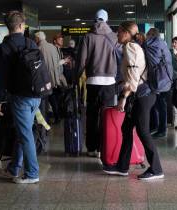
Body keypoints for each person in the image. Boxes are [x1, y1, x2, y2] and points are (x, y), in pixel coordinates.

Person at [103, 21, 164, 180]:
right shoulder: (133, 46)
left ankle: (156, 169)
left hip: (142, 95)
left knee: (143, 132)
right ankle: (122, 167)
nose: (117, 34)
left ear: (126, 33)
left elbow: (133, 77)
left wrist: (123, 97)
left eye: (119, 31)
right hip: (142, 94)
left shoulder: (130, 47)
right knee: (126, 128)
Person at [0, 11, 42, 184]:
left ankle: (32, 173)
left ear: (8, 27)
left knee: (25, 134)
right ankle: (14, 168)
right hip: (36, 95)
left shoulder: (4, 47)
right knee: (24, 132)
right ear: (21, 25)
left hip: (19, 97)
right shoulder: (31, 43)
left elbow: (1, 77)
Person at [76, 9, 118, 157]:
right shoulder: (114, 37)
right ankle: (104, 147)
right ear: (107, 20)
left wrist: (76, 77)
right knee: (106, 115)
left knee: (92, 115)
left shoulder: (88, 37)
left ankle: (92, 148)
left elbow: (81, 60)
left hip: (93, 81)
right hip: (110, 82)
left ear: (95, 19)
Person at [35, 31, 67, 124]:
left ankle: (46, 119)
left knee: (45, 101)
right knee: (53, 98)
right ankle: (57, 116)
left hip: (44, 79)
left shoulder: (39, 48)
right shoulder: (53, 47)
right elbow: (57, 63)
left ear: (37, 39)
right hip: (54, 78)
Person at [146, 28, 169, 138]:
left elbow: (153, 61)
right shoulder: (163, 43)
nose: (146, 36)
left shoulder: (152, 45)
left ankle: (162, 130)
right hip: (165, 78)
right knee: (159, 105)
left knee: (160, 105)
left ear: (152, 35)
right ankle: (157, 127)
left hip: (159, 79)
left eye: (148, 34)